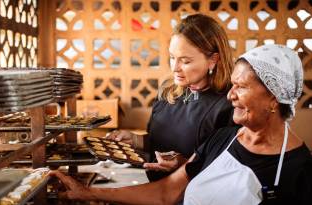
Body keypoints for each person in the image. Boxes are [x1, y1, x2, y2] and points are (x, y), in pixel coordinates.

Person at [51, 44, 312, 205]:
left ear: (274, 99)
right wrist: (87, 193)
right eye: (232, 84)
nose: (230, 95)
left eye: (241, 87)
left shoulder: (301, 171)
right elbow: (166, 193)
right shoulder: (223, 139)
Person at [108, 13, 235, 181]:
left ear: (213, 60)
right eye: (172, 57)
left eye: (185, 61)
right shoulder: (168, 91)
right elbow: (158, 143)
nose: (175, 68)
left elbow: (226, 168)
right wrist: (136, 140)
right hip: (155, 188)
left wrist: (183, 164)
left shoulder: (230, 103)